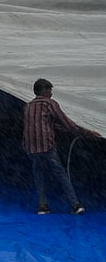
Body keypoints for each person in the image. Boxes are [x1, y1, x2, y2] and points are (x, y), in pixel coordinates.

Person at [23, 78, 100, 215]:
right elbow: (67, 123)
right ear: (44, 91)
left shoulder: (28, 106)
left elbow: (44, 123)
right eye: (50, 90)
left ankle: (43, 205)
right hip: (46, 145)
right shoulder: (49, 104)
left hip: (31, 147)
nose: (51, 93)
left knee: (38, 173)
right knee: (61, 174)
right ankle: (75, 204)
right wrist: (87, 133)